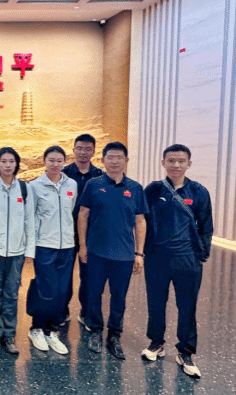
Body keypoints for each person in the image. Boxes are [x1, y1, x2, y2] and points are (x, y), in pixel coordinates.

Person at [142, 144, 213, 378]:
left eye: (181, 161)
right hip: (157, 258)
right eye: (171, 160)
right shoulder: (153, 190)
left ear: (189, 164)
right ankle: (156, 343)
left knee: (187, 306)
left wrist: (201, 254)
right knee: (156, 302)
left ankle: (186, 352)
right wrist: (142, 252)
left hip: (187, 259)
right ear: (163, 163)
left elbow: (206, 226)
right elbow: (142, 221)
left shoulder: (199, 192)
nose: (176, 165)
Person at [78, 142, 148, 360]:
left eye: (119, 157)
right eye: (110, 157)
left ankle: (114, 335)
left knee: (119, 297)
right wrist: (82, 246)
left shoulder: (135, 188)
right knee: (93, 293)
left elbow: (140, 220)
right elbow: (83, 215)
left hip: (124, 255)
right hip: (96, 252)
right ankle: (95, 330)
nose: (115, 161)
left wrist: (139, 253)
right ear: (103, 160)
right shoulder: (93, 184)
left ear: (126, 161)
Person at [0, 147, 35, 354]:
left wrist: (29, 250)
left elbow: (29, 220)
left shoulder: (25, 189)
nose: (8, 165)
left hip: (17, 251)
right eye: (3, 161)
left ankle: (9, 334)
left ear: (16, 164)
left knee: (11, 293)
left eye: (11, 161)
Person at [26, 146, 77, 355]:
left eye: (59, 160)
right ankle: (36, 328)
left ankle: (52, 330)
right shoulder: (34, 187)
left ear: (64, 162)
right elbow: (30, 218)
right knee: (46, 290)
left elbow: (71, 211)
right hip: (44, 245)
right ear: (44, 161)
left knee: (62, 290)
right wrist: (30, 249)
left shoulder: (71, 184)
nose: (55, 164)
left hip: (67, 246)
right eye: (51, 160)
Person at [62, 134, 103, 328]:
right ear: (73, 150)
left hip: (92, 232)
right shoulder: (63, 173)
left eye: (88, 149)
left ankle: (86, 312)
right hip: (66, 231)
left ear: (93, 152)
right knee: (64, 273)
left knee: (89, 275)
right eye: (79, 148)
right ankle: (62, 310)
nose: (83, 152)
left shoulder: (100, 176)